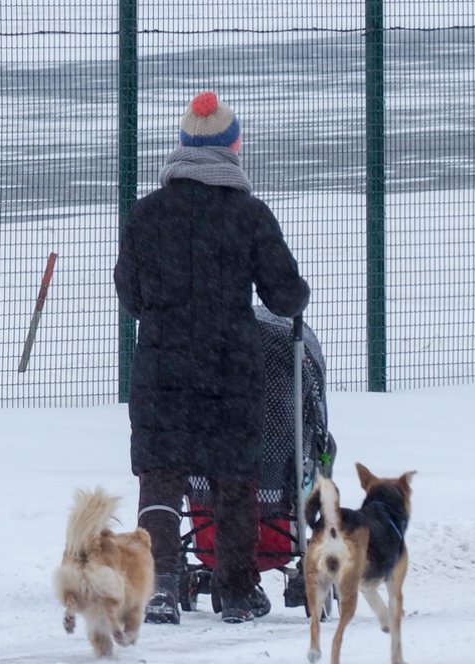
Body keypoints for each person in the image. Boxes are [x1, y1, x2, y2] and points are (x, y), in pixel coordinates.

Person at [114, 91, 310, 624]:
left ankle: (158, 586)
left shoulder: (146, 214)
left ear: (181, 146)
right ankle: (237, 589)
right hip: (231, 366)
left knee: (160, 473)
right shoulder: (248, 213)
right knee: (234, 474)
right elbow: (283, 297)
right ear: (232, 147)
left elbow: (129, 295)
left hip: (161, 365)